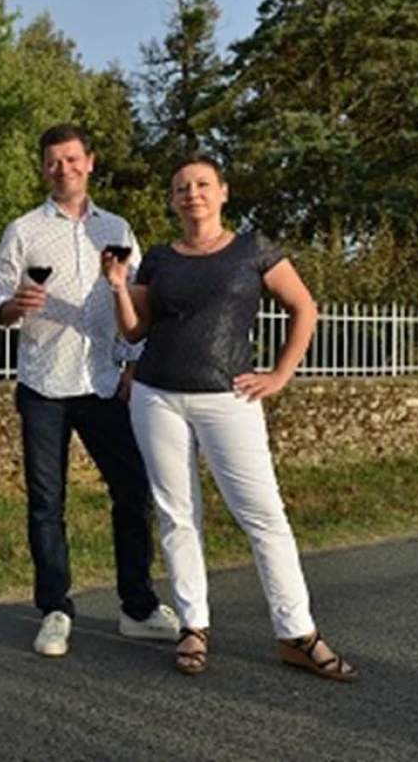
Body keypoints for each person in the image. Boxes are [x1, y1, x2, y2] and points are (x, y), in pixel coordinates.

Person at [100, 154, 357, 681]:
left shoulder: (253, 249)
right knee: (177, 514)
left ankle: (297, 633)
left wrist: (280, 375)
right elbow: (133, 332)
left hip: (229, 397)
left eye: (201, 185)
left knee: (263, 515)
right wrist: (118, 287)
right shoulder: (160, 258)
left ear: (223, 191)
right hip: (157, 395)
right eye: (180, 188)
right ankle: (193, 626)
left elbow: (304, 308)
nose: (190, 193)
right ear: (172, 201)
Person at [0, 123, 178, 657]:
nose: (63, 169)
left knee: (133, 492)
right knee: (47, 503)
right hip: (43, 383)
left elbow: (135, 303)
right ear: (43, 168)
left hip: (104, 380)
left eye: (72, 160)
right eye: (53, 162)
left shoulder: (116, 227)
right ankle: (54, 609)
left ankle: (137, 607)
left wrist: (134, 365)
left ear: (90, 162)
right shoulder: (23, 230)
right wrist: (10, 309)